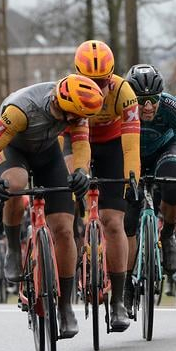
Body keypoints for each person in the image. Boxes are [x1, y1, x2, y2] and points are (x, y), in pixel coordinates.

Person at [0, 74, 104, 338]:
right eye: (73, 117)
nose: (76, 122)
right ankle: (13, 248)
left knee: (65, 231)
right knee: (15, 184)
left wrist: (81, 172)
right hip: (14, 150)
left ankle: (66, 306)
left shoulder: (77, 110)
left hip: (47, 154)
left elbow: (81, 147)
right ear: (62, 105)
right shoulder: (20, 112)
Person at [74, 39, 141, 331]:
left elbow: (131, 148)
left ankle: (117, 302)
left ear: (112, 77)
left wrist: (133, 179)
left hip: (114, 145)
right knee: (67, 214)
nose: (98, 88)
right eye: (90, 81)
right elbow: (72, 145)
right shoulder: (70, 90)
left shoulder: (124, 92)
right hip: (79, 141)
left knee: (114, 222)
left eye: (103, 82)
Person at [122, 64, 176, 311]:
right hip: (130, 154)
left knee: (173, 183)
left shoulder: (172, 107)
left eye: (153, 100)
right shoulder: (120, 107)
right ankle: (125, 282)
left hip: (164, 151)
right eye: (141, 100)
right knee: (129, 220)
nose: (148, 106)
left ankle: (167, 236)